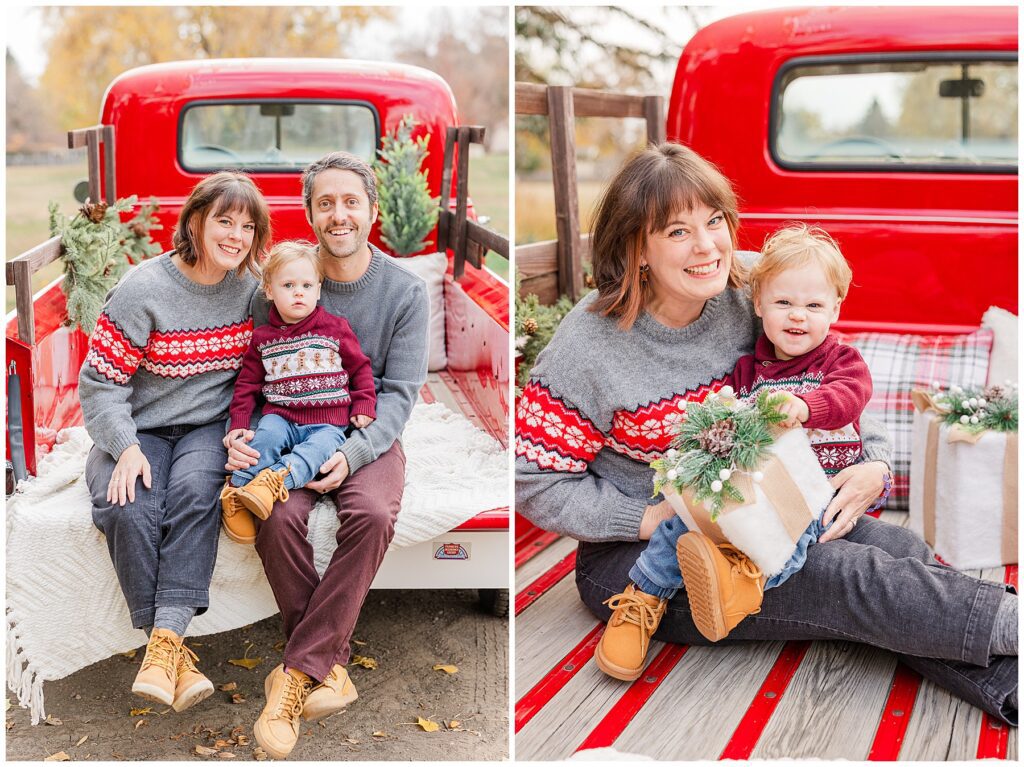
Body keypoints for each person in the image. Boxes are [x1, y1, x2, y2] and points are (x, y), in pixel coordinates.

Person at [515, 143, 1018, 722]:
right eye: (678, 231)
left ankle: (1010, 682)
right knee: (843, 577)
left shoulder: (751, 287)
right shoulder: (588, 347)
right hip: (650, 561)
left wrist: (873, 461)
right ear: (637, 248)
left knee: (899, 548)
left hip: (771, 510)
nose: (708, 246)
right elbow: (534, 480)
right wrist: (647, 517)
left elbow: (830, 372)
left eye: (715, 221)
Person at [595, 224, 875, 680]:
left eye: (813, 305)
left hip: (815, 492)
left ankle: (743, 581)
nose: (798, 316)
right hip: (753, 482)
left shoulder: (841, 361)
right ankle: (642, 598)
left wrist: (805, 406)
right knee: (682, 519)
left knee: (793, 540)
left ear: (835, 309)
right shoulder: (749, 370)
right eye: (784, 303)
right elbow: (733, 421)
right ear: (759, 304)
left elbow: (851, 397)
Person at [225, 151, 429, 759]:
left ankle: (292, 675)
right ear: (310, 212)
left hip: (365, 433)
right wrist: (239, 434)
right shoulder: (279, 279)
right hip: (287, 425)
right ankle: (325, 667)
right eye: (325, 203)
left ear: (371, 209)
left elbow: (399, 391)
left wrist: (359, 449)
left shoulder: (404, 291)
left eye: (350, 201)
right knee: (277, 513)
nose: (338, 214)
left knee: (368, 514)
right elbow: (252, 376)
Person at [80, 172, 271, 711]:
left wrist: (245, 429)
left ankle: (162, 646)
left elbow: (264, 372)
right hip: (138, 427)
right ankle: (172, 653)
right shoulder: (145, 289)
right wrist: (124, 446)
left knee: (193, 495)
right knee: (125, 505)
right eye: (225, 221)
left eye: (247, 226)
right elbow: (100, 382)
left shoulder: (253, 291)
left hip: (209, 427)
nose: (236, 235)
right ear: (195, 221)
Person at [219, 240, 376, 539]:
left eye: (306, 285)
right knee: (264, 438)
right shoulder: (262, 338)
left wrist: (364, 404)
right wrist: (239, 424)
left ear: (318, 289)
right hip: (281, 416)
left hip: (329, 422)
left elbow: (360, 369)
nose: (299, 293)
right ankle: (238, 489)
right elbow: (247, 386)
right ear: (270, 291)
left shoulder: (335, 328)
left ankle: (273, 482)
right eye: (288, 285)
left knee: (317, 453)